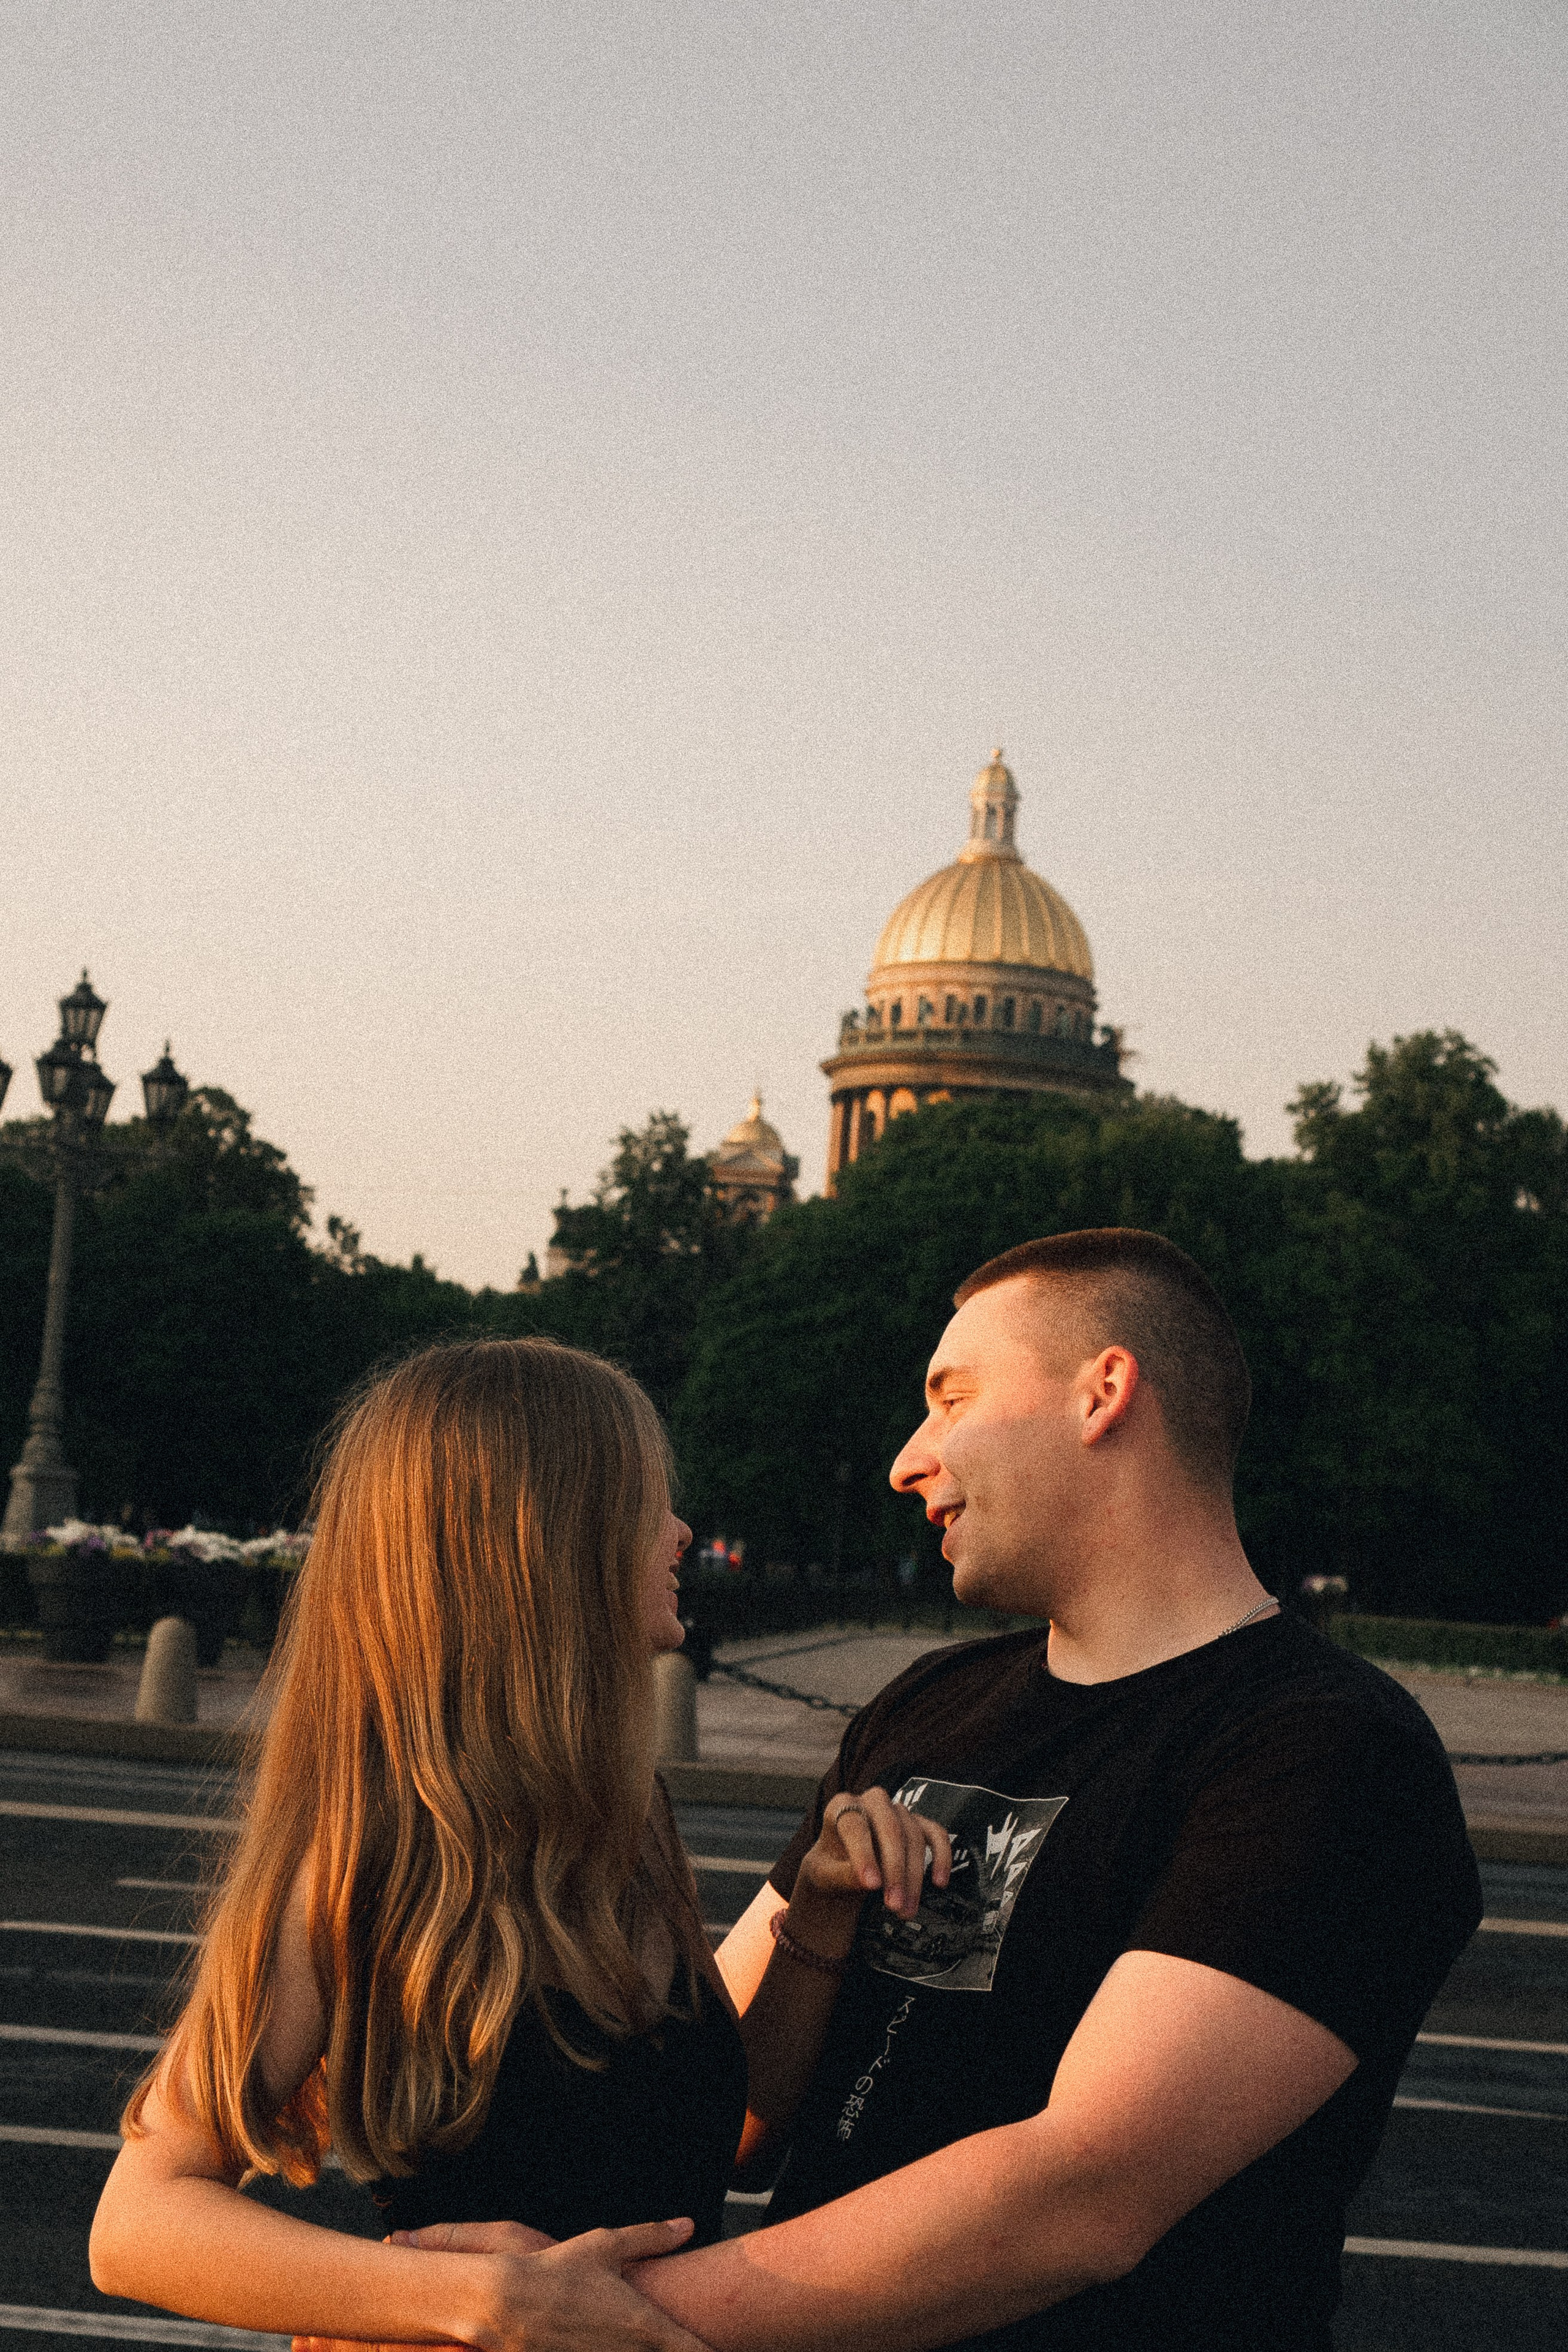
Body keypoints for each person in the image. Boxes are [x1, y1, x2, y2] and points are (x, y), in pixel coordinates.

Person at [393, 1226, 1480, 2351]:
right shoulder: (928, 1706)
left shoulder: (1326, 1752)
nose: (909, 1459)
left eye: (952, 1399)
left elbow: (1082, 2196)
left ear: (1103, 1392)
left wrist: (528, 2327)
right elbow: (710, 2116)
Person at [89, 1336, 947, 2351]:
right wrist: (478, 2302)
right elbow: (135, 2224)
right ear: (544, 1546)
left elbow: (724, 2137)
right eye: (644, 1502)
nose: (680, 1532)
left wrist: (822, 1909)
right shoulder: (378, 1850)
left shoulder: (628, 1818)